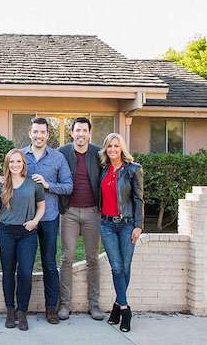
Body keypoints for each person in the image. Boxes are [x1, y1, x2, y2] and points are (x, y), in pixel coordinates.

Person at [21, 117, 72, 324]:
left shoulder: (58, 158)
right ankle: (20, 308)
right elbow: (10, 180)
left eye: (42, 132)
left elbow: (68, 186)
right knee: (24, 265)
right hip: (26, 219)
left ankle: (51, 307)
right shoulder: (21, 156)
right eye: (35, 132)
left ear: (47, 135)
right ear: (30, 133)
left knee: (49, 264)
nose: (38, 135)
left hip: (49, 218)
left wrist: (48, 185)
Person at [0, 148, 45, 331]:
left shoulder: (34, 185)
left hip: (27, 234)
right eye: (11, 162)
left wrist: (35, 222)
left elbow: (41, 208)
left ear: (23, 164)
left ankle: (22, 312)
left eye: (18, 161)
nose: (15, 165)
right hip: (6, 234)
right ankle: (10, 310)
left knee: (25, 273)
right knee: (8, 272)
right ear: (7, 164)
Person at [57, 117, 105, 320]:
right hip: (69, 212)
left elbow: (115, 168)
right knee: (67, 258)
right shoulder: (63, 152)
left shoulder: (97, 153)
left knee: (93, 258)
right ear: (72, 132)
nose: (80, 134)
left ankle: (94, 304)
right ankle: (65, 305)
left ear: (89, 133)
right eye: (77, 130)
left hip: (93, 212)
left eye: (84, 130)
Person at [99, 133, 144, 332]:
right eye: (110, 146)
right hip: (107, 225)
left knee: (125, 267)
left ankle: (117, 306)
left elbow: (138, 199)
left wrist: (138, 225)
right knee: (117, 267)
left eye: (116, 146)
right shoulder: (103, 170)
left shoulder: (134, 169)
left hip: (127, 224)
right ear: (106, 149)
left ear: (122, 148)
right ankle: (125, 309)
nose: (113, 150)